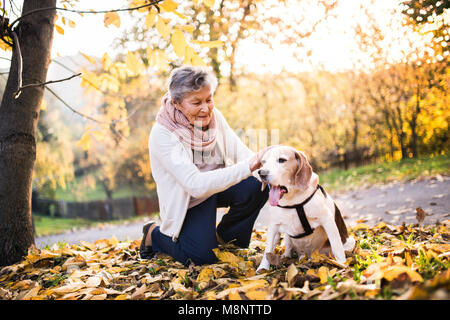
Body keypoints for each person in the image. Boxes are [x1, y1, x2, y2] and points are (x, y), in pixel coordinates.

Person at [140, 65, 270, 266]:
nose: (206, 108)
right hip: (189, 199)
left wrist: (267, 170)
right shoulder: (163, 134)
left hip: (214, 186)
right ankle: (154, 234)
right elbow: (195, 185)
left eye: (209, 99)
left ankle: (226, 238)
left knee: (258, 184)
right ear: (177, 103)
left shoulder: (213, 116)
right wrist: (248, 166)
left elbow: (240, 152)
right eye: (196, 102)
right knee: (201, 259)